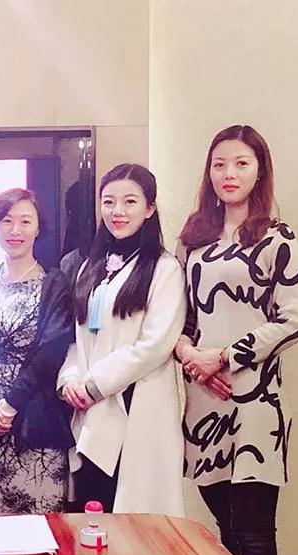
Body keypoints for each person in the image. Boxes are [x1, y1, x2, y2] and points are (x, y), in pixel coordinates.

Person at [175, 125, 298, 555]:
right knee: (225, 530)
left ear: (259, 171)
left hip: (255, 402)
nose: (228, 173)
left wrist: (225, 357)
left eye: (240, 163)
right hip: (203, 401)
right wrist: (192, 357)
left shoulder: (277, 238)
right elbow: (178, 319)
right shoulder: (193, 239)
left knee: (253, 532)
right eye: (219, 164)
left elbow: (294, 319)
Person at [57, 163, 185, 516]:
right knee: (92, 517)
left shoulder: (164, 269)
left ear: (149, 208)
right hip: (91, 411)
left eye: (130, 201)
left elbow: (155, 345)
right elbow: (78, 337)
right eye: (109, 201)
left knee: (133, 521)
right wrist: (70, 379)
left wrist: (94, 384)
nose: (118, 211)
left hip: (134, 407)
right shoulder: (91, 267)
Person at [0, 188, 74, 514]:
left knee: (41, 532)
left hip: (36, 422)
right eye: (6, 221)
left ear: (38, 228)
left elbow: (50, 352)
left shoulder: (55, 284)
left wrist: (9, 406)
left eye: (25, 221)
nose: (15, 230)